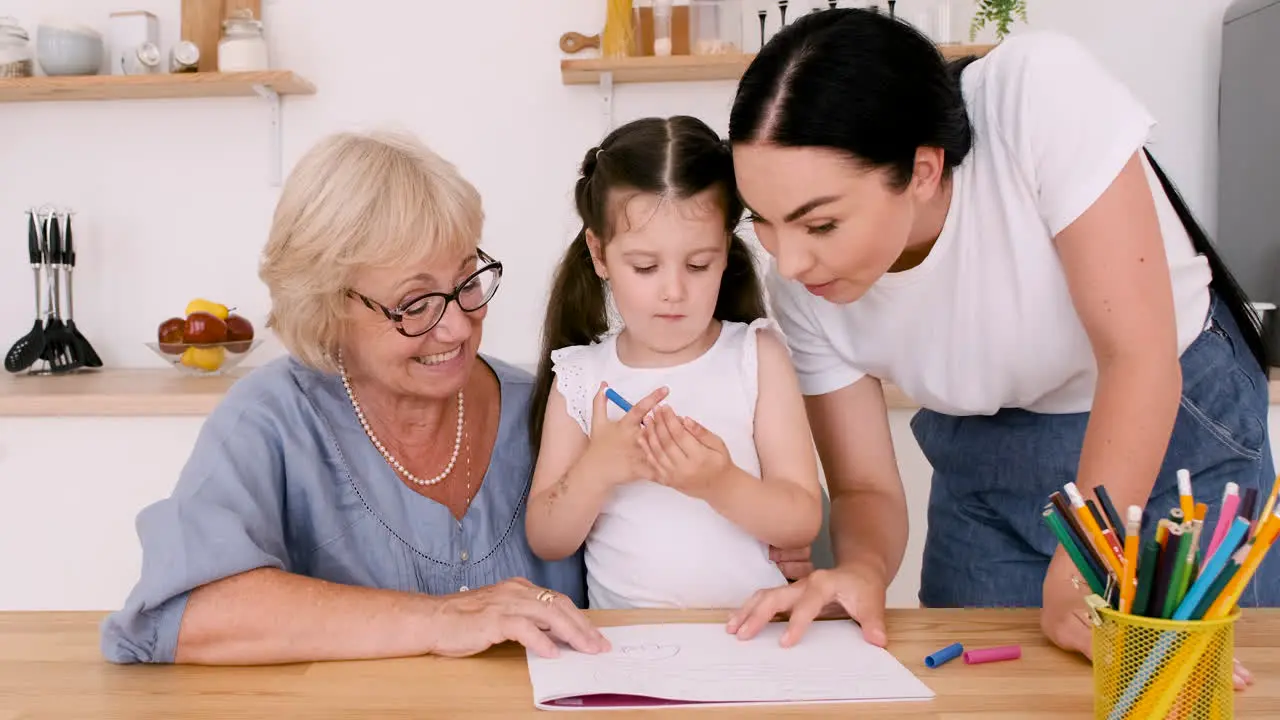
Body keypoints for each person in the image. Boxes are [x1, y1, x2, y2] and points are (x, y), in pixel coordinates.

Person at [721, 7, 1276, 685]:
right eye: (765, 222)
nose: (792, 260)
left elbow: (1137, 358)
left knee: (1182, 691)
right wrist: (860, 570)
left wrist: (1088, 559)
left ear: (923, 170)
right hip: (983, 464)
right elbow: (864, 485)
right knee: (986, 691)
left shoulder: (1037, 94)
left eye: (822, 223)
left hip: (1169, 436)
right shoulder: (799, 286)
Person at [99, 130, 610, 664]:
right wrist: (439, 619)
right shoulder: (272, 418)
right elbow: (184, 614)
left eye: (467, 283)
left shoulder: (555, 408)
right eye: (415, 305)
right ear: (328, 307)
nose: (458, 327)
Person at [524, 116, 825, 610]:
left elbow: (802, 520)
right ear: (599, 254)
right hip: (627, 650)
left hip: (752, 640)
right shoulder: (581, 377)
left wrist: (719, 483)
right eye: (644, 266)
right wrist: (596, 469)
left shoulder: (756, 356)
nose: (673, 290)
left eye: (698, 264)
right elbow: (548, 538)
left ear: (726, 251)